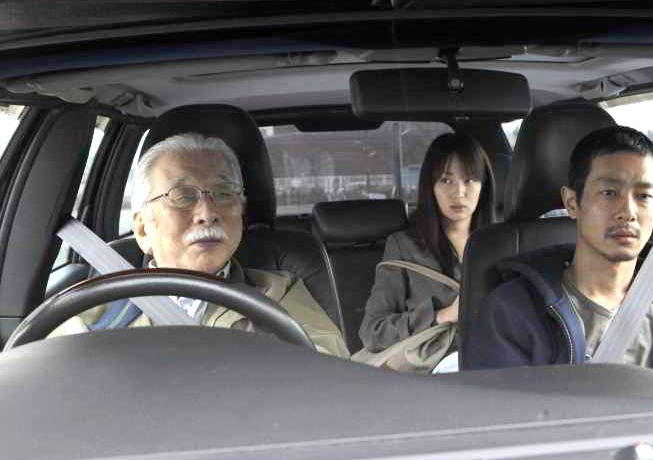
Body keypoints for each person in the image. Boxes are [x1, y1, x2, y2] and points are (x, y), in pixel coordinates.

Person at [466, 126, 653, 375]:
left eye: (643, 196)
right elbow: (499, 416)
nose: (628, 212)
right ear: (572, 203)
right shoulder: (511, 312)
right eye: (609, 193)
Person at [51, 133, 349, 359]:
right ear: (142, 228)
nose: (208, 213)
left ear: (242, 213)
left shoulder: (277, 293)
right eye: (182, 196)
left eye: (224, 192)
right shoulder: (100, 308)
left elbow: (329, 374)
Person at [358, 132, 495, 354]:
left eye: (469, 179)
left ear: (484, 185)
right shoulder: (404, 247)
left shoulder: (504, 243)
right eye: (446, 180)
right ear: (430, 186)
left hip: (499, 363)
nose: (459, 192)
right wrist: (441, 316)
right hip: (436, 368)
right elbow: (372, 332)